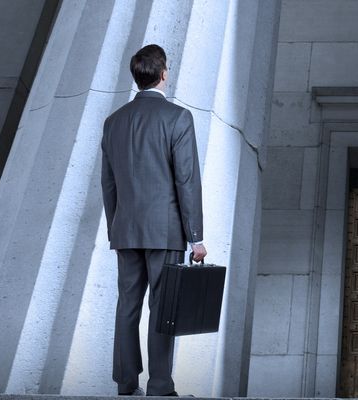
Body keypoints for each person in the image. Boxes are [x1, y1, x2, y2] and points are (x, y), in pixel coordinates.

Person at [101, 44, 207, 397]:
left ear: (137, 77)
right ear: (164, 74)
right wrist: (196, 238)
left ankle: (125, 382)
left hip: (126, 229)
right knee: (162, 307)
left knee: (127, 304)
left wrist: (114, 226)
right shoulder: (178, 118)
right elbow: (186, 180)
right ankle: (160, 384)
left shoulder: (113, 121)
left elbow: (109, 182)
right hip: (165, 231)